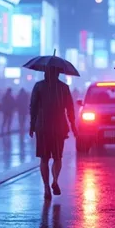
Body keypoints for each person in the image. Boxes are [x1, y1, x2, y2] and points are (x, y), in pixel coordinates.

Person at [29, 67, 77, 199]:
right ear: (58, 74)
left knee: (44, 158)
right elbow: (70, 109)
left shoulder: (39, 86)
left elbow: (33, 107)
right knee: (57, 157)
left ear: (45, 73)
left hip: (42, 126)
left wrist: (32, 125)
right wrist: (73, 126)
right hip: (59, 127)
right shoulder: (63, 88)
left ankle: (46, 187)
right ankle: (55, 180)